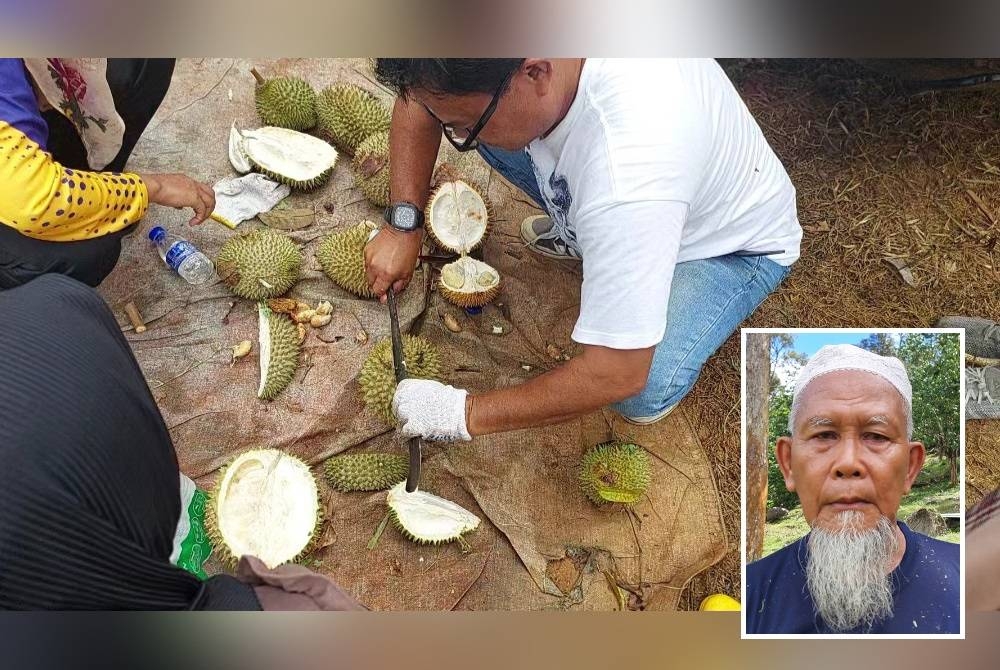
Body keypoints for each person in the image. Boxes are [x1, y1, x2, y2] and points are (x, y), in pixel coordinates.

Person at [365, 59, 801, 442]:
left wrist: (463, 413)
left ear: (536, 72)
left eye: (464, 124)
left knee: (641, 389)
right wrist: (404, 223)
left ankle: (605, 242)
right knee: (491, 134)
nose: (457, 136)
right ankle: (590, 236)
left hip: (729, 246)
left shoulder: (628, 177)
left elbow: (618, 372)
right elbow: (422, 95)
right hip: (638, 200)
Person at [0, 274, 364, 611]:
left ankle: (158, 537)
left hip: (49, 423)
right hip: (55, 314)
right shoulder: (53, 293)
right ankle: (162, 530)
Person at [745, 344, 960, 634]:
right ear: (789, 464)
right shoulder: (749, 596)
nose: (848, 463)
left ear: (910, 467)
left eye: (875, 435)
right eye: (824, 435)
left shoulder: (972, 583)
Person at [0, 58, 215, 289]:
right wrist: (152, 188)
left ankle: (93, 181)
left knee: (145, 58)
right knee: (89, 252)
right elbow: (34, 198)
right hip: (20, 194)